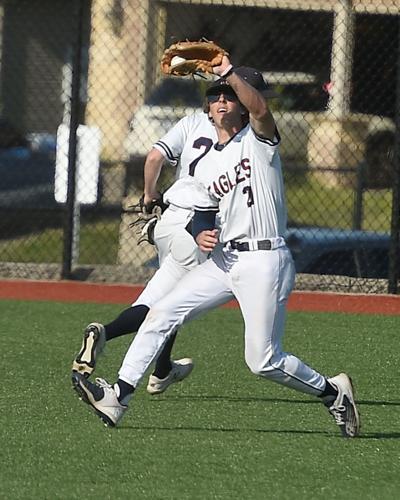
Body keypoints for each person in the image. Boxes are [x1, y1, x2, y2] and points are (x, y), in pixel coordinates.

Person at [72, 60, 360, 438]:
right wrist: (199, 233)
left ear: (242, 104)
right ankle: (118, 396)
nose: (222, 101)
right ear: (207, 108)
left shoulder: (259, 141)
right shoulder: (206, 166)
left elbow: (260, 108)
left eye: (230, 95)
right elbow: (202, 214)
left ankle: (332, 391)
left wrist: (225, 68)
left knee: (262, 361)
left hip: (265, 259)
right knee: (160, 313)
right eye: (215, 97)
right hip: (226, 259)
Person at [71, 90, 221, 394]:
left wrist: (150, 194)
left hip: (168, 221)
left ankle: (162, 369)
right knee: (172, 305)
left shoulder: (192, 121)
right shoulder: (241, 136)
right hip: (196, 227)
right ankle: (108, 336)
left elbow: (154, 157)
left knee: (163, 300)